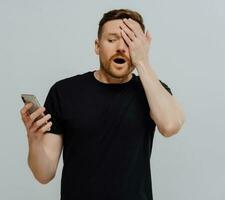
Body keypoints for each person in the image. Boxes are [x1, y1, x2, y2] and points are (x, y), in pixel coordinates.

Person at [20, 8, 185, 200]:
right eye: (112, 39)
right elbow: (44, 174)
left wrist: (143, 61)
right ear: (97, 46)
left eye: (130, 40)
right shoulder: (64, 92)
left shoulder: (152, 90)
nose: (122, 47)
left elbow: (171, 125)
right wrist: (34, 139)